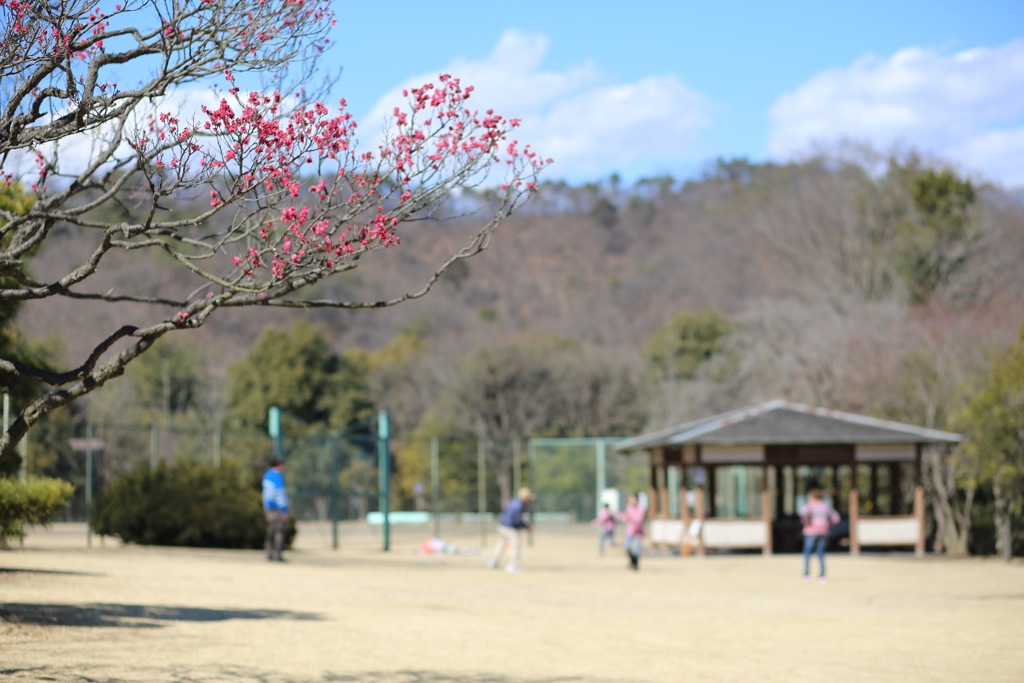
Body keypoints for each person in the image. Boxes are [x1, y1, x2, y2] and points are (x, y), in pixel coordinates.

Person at [487, 487, 534, 572]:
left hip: (502, 525)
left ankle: (493, 562)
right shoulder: (520, 505)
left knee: (501, 543)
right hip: (509, 527)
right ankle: (514, 565)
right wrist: (526, 527)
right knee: (516, 543)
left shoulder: (514, 501)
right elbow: (517, 520)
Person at [799, 486, 840, 582]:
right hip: (823, 531)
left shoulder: (810, 505)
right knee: (820, 553)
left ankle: (806, 574)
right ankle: (822, 575)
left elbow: (802, 513)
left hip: (811, 531)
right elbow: (836, 518)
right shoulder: (825, 506)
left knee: (807, 553)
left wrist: (807, 523)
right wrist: (828, 524)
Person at [262, 457, 289, 562]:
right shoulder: (277, 477)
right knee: (279, 532)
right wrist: (284, 510)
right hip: (277, 509)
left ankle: (268, 553)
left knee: (271, 531)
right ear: (279, 465)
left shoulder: (267, 476)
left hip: (269, 508)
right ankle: (277, 554)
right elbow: (280, 494)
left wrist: (267, 510)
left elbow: (265, 495)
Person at [622, 493, 645, 571]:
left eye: (632, 499)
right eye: (630, 499)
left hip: (638, 532)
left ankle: (635, 565)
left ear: (636, 499)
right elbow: (625, 518)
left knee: (636, 550)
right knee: (627, 547)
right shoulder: (628, 508)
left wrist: (631, 519)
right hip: (630, 531)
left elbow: (639, 519)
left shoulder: (641, 508)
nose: (631, 501)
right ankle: (632, 561)